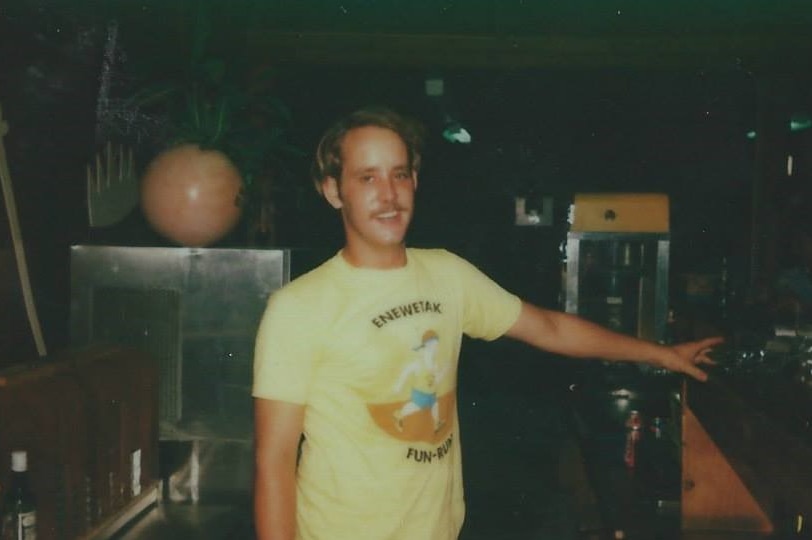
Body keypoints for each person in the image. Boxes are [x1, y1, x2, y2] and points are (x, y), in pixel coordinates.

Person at [252, 106, 721, 540]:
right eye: (366, 177)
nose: (389, 195)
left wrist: (660, 353)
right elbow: (273, 462)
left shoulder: (447, 275)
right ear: (334, 190)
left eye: (399, 174)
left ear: (415, 180)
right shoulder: (299, 307)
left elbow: (550, 329)